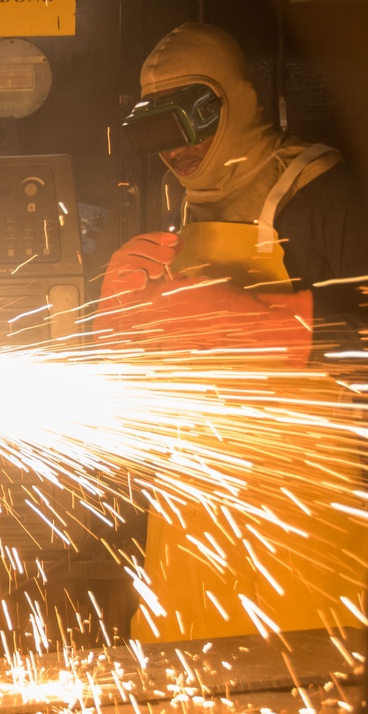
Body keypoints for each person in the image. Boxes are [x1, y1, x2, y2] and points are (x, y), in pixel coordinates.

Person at [95, 23, 368, 642]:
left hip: (308, 561)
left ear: (237, 102)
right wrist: (124, 345)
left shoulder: (330, 200)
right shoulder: (183, 210)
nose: (177, 151)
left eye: (190, 124)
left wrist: (265, 325)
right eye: (157, 134)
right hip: (193, 553)